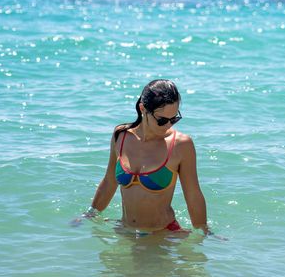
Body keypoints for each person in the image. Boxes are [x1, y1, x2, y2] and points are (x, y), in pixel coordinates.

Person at [75, 79, 209, 235]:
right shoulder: (121, 136)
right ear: (142, 108)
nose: (168, 126)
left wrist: (204, 232)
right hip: (126, 230)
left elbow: (193, 194)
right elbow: (109, 181)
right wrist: (90, 213)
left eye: (174, 119)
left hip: (163, 233)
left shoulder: (181, 145)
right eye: (162, 120)